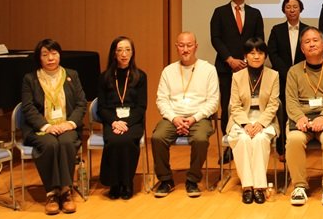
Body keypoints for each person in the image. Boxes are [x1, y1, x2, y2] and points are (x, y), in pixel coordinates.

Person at [20, 38, 87, 215]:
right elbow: (28, 107)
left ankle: (65, 192)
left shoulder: (72, 75)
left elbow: (81, 104)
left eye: (54, 53)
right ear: (39, 58)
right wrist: (46, 126)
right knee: (50, 144)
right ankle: (52, 193)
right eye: (45, 54)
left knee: (65, 142)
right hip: (41, 129)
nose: (50, 58)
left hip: (66, 126)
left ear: (59, 55)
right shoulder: (30, 79)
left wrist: (69, 123)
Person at [151, 32, 219, 198]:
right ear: (177, 47)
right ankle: (166, 180)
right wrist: (174, 118)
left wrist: (193, 118)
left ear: (196, 46)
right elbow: (161, 100)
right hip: (173, 117)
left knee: (200, 139)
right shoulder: (168, 71)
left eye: (189, 45)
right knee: (157, 137)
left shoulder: (208, 69)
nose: (185, 49)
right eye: (181, 45)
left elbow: (213, 101)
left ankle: (192, 180)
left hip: (199, 117)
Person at [285, 27, 323, 206]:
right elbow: (290, 100)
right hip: (302, 117)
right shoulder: (294, 71)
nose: (311, 44)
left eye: (315, 40)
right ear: (302, 49)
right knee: (294, 139)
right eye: (307, 41)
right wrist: (299, 117)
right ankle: (299, 186)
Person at [210, 0, 264, 162]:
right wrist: (230, 59)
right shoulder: (219, 12)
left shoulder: (255, 13)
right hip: (226, 68)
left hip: (250, 68)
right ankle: (229, 147)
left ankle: (249, 140)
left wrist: (248, 60)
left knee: (248, 105)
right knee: (228, 106)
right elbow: (215, 38)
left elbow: (259, 39)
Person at [226, 38, 280, 204]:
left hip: (265, 118)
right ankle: (247, 187)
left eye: (260, 53)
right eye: (252, 53)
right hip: (242, 118)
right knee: (243, 139)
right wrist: (246, 124)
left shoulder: (273, 75)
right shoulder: (237, 76)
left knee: (260, 139)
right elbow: (234, 105)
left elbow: (273, 104)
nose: (256, 56)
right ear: (245, 56)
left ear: (265, 56)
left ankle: (259, 187)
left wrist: (261, 124)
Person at [96, 35, 147, 200]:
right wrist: (114, 122)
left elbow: (141, 107)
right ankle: (114, 183)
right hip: (112, 120)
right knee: (114, 141)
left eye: (127, 50)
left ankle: (127, 182)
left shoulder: (140, 76)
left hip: (133, 121)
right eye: (120, 50)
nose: (124, 54)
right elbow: (102, 107)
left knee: (127, 140)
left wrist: (125, 123)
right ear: (114, 53)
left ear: (132, 53)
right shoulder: (105, 77)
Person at [267, 0, 306, 155]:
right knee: (282, 112)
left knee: (302, 109)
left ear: (301, 9)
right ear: (284, 9)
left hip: (304, 78)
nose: (292, 10)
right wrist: (287, 72)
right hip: (282, 78)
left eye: (295, 7)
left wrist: (298, 72)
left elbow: (311, 53)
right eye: (288, 7)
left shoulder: (308, 30)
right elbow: (272, 53)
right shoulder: (276, 30)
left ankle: (301, 144)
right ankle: (282, 148)